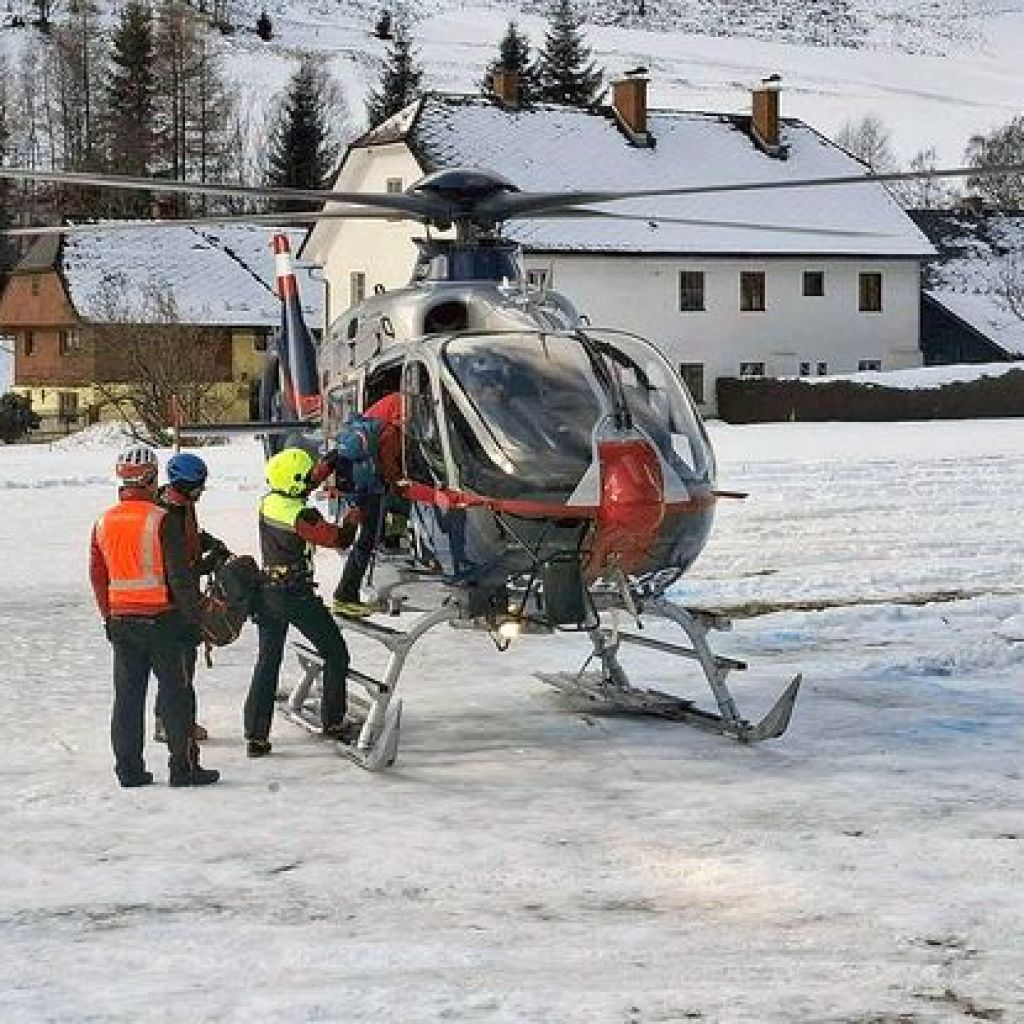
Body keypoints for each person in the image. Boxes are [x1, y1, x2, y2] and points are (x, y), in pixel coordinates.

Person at [89, 443, 220, 788]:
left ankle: (129, 771)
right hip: (164, 621)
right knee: (177, 695)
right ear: (149, 479)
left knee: (128, 700)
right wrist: (194, 621)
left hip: (122, 622)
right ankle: (183, 768)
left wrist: (108, 617)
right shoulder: (161, 520)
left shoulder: (103, 522)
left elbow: (98, 575)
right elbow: (178, 576)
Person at [244, 446, 360, 757]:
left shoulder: (270, 502)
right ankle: (334, 721)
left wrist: (329, 463)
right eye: (308, 476)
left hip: (266, 591)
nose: (313, 480)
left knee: (267, 662)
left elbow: (300, 483)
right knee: (335, 653)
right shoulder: (302, 515)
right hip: (294, 595)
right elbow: (339, 539)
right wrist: (353, 518)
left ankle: (256, 736)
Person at [152, 452, 230, 744]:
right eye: (197, 485)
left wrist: (209, 543)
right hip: (172, 599)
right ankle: (173, 724)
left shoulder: (181, 505)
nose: (201, 491)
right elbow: (177, 569)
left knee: (184, 664)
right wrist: (206, 566)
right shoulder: (166, 514)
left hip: (183, 593)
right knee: (179, 666)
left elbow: (192, 535)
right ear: (181, 485)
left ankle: (174, 720)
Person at [331, 392, 404, 617]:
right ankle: (345, 595)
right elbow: (387, 461)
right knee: (365, 542)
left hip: (359, 486)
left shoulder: (376, 418)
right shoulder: (392, 426)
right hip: (372, 490)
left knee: (366, 539)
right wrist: (397, 484)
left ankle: (347, 593)